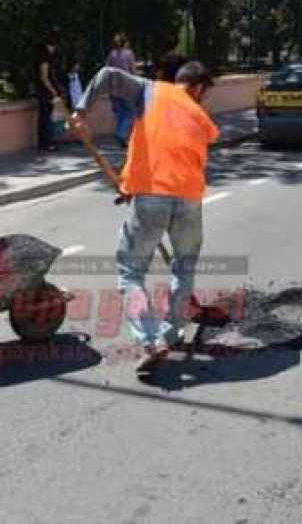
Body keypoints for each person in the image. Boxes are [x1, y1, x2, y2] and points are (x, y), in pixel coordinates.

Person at [69, 62, 219, 374]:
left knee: (130, 272)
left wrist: (81, 111)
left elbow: (108, 75)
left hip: (152, 198)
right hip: (190, 199)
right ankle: (172, 332)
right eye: (204, 92)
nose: (203, 99)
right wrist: (132, 187)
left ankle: (151, 340)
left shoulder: (150, 91)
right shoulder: (200, 118)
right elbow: (174, 155)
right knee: (185, 266)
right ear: (197, 87)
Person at [106, 33, 138, 148]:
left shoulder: (111, 54)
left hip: (114, 89)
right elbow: (133, 71)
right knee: (131, 113)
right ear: (126, 42)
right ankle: (121, 133)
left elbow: (107, 71)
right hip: (127, 88)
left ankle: (122, 139)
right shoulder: (129, 54)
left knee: (120, 114)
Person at [34, 34, 65, 152]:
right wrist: (53, 91)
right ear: (47, 46)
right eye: (52, 46)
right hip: (45, 92)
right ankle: (47, 143)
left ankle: (45, 142)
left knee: (44, 117)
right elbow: (44, 77)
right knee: (46, 118)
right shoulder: (44, 60)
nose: (54, 49)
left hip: (42, 91)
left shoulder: (42, 59)